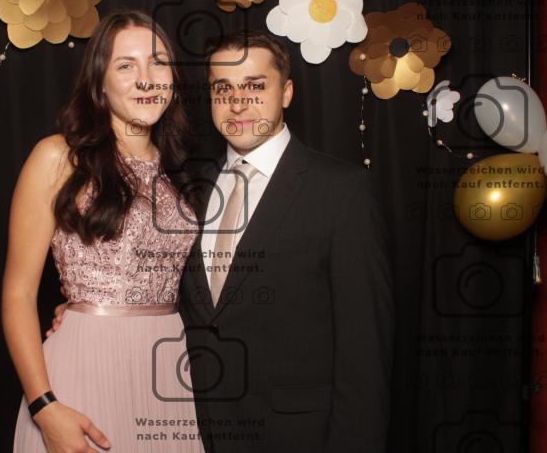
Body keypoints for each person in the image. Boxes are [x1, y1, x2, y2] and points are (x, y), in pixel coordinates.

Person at [50, 29, 394, 452]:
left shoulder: (342, 192)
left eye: (255, 86)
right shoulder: (188, 190)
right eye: (223, 89)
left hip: (298, 438)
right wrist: (84, 312)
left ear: (286, 92)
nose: (238, 103)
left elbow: (365, 354)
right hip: (196, 429)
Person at [2, 9, 206, 452]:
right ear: (100, 84)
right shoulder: (59, 158)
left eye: (157, 63)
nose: (146, 79)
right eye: (126, 65)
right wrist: (44, 406)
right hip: (83, 372)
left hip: (168, 372)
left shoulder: (181, 173)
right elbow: (18, 294)